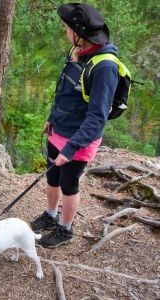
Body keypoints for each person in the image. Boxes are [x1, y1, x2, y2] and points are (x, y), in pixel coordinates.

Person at [30, 3, 120, 248]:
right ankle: (50, 214)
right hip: (60, 128)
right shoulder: (79, 52)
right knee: (52, 177)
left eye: (67, 27)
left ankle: (66, 229)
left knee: (69, 184)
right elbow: (65, 90)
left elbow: (97, 117)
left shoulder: (105, 67)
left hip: (78, 140)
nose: (64, 31)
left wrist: (70, 149)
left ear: (79, 32)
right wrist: (52, 117)